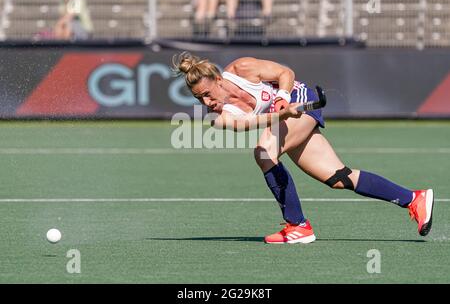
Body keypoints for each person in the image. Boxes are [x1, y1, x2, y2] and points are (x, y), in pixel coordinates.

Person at [172, 52, 435, 244]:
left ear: (218, 79)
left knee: (264, 152)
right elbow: (252, 122)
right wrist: (281, 115)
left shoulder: (243, 68)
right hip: (286, 119)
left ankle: (297, 226)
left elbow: (285, 73)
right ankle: (414, 199)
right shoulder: (220, 118)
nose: (206, 102)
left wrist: (283, 98)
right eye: (198, 98)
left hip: (301, 98)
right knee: (338, 177)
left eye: (207, 94)